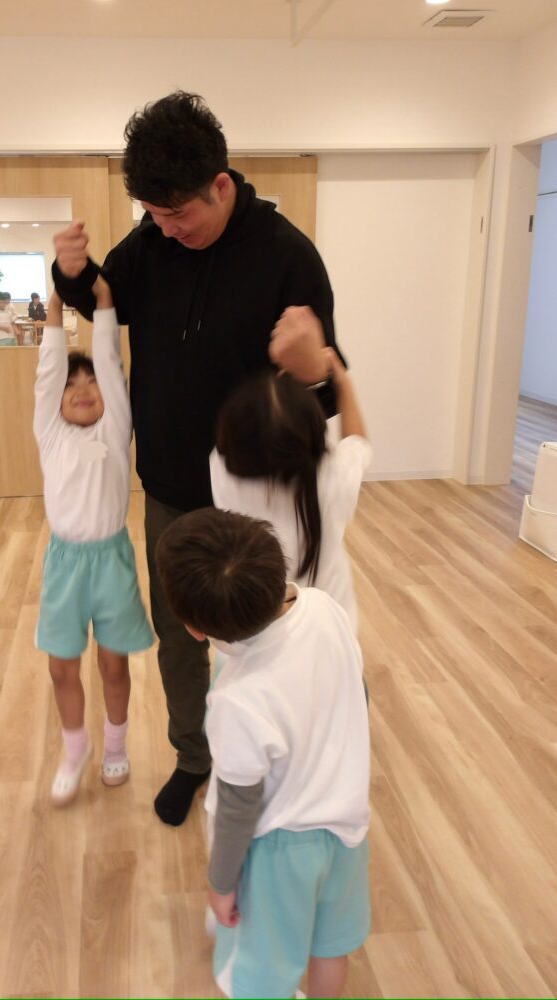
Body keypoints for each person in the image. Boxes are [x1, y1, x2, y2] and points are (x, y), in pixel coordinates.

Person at [52, 90, 341, 826]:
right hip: (173, 489)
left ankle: (279, 762)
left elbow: (327, 390)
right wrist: (72, 274)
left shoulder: (287, 256)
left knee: (271, 634)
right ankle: (193, 757)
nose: (167, 229)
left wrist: (313, 368)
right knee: (182, 638)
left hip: (260, 499)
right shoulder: (152, 244)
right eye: (153, 215)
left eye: (178, 214)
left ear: (220, 184)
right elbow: (103, 296)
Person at [156, 508, 370, 999]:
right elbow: (357, 692)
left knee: (261, 977)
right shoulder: (324, 607)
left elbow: (237, 808)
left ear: (194, 629)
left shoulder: (238, 700)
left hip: (279, 853)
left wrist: (220, 884)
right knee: (329, 948)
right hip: (348, 828)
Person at [33, 275, 153, 806]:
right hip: (64, 564)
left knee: (113, 663)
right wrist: (57, 302)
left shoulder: (114, 428)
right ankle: (75, 747)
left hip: (110, 562)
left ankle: (116, 745)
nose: (82, 390)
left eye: (91, 383)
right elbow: (48, 373)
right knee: (61, 665)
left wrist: (104, 300)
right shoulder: (51, 433)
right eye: (71, 385)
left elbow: (108, 361)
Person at [211, 346, 370, 634]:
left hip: (254, 634)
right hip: (330, 632)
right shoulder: (331, 476)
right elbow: (357, 442)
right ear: (314, 433)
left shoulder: (222, 472)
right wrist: (341, 379)